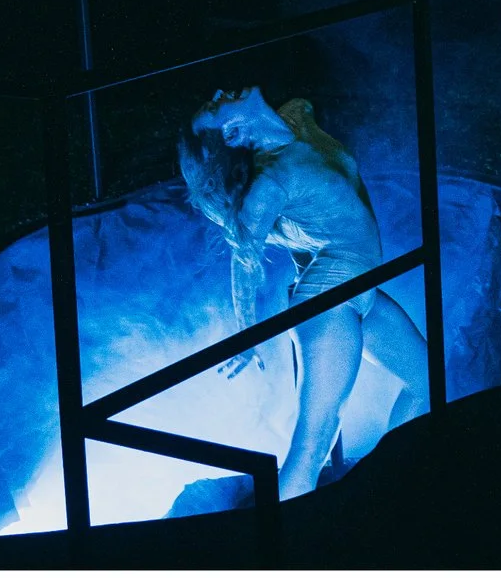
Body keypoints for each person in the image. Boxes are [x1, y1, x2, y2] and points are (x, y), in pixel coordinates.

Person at [181, 86, 430, 498]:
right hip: (329, 299)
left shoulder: (297, 114)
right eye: (213, 106)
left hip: (358, 289)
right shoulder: (272, 181)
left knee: (424, 378)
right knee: (314, 442)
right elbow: (244, 261)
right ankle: (292, 533)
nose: (220, 92)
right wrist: (247, 337)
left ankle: (389, 485)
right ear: (232, 134)